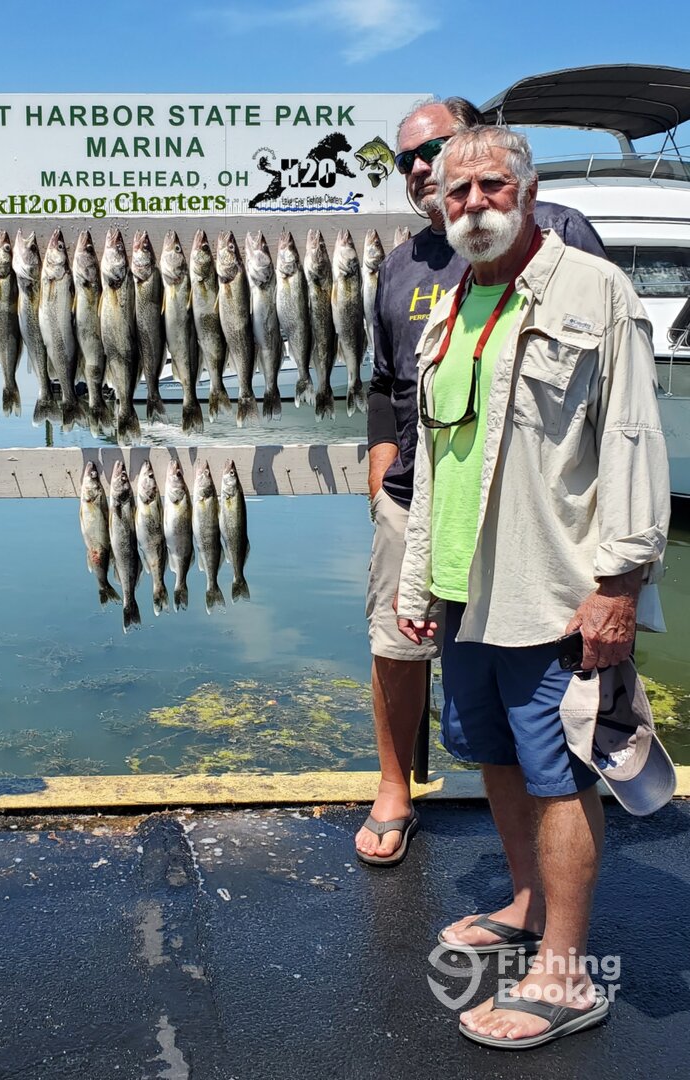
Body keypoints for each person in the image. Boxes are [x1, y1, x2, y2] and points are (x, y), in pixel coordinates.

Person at [397, 126, 669, 1047]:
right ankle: (525, 905)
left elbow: (631, 441)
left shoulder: (596, 290)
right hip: (465, 586)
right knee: (498, 757)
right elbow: (439, 463)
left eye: (490, 186)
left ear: (528, 188)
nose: (472, 203)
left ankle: (566, 974)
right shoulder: (449, 309)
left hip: (553, 588)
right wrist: (418, 582)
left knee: (560, 777)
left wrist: (619, 586)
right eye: (456, 191)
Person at [356, 99, 607, 866]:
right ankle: (394, 789)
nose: (421, 169)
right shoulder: (401, 264)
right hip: (421, 501)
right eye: (406, 159)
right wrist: (380, 463)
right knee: (398, 646)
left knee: (538, 689)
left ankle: (555, 853)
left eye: (433, 149)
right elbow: (383, 381)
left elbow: (611, 387)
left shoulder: (559, 233)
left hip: (533, 512)